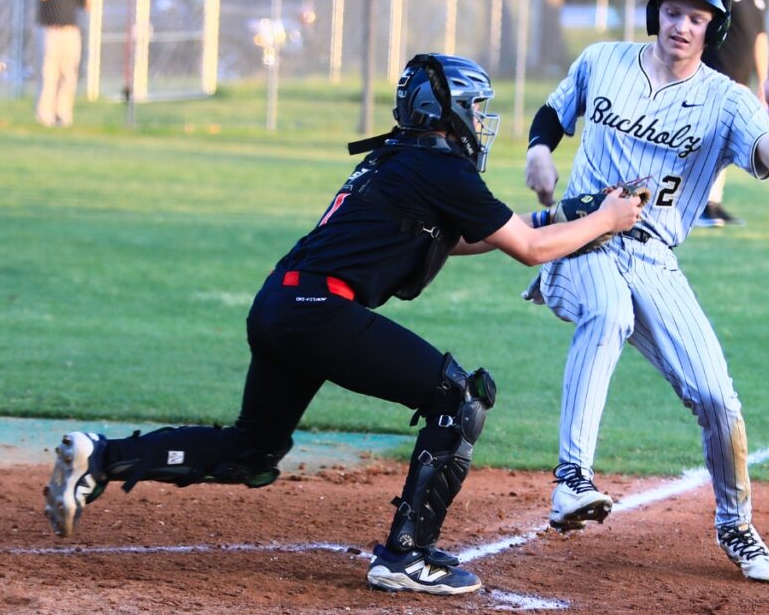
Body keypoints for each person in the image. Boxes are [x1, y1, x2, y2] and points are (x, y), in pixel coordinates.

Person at [44, 54, 644, 595]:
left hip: (283, 303)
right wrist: (608, 219)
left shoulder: (400, 158)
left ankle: (101, 458)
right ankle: (405, 558)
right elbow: (533, 250)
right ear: (448, 110)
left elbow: (462, 237)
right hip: (321, 312)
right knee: (458, 397)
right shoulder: (440, 167)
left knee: (250, 453)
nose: (480, 120)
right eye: (476, 107)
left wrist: (562, 215)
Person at [523, 0, 769, 583]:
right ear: (658, 13)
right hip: (585, 238)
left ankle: (736, 525)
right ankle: (572, 479)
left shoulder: (727, 101)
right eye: (673, 11)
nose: (681, 24)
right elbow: (552, 112)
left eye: (696, 17)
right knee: (607, 313)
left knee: (715, 396)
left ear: (713, 28)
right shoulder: (604, 60)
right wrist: (539, 151)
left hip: (654, 256)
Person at [697, 0, 769, 227]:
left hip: (740, 82)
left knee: (724, 144)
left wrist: (763, 82)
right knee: (710, 142)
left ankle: (712, 203)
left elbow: (760, 40)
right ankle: (703, 205)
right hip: (716, 78)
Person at [35, 0, 87, 127]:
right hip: (50, 31)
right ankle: (44, 115)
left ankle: (62, 115)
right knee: (48, 74)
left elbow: (88, 6)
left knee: (68, 75)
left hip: (70, 32)